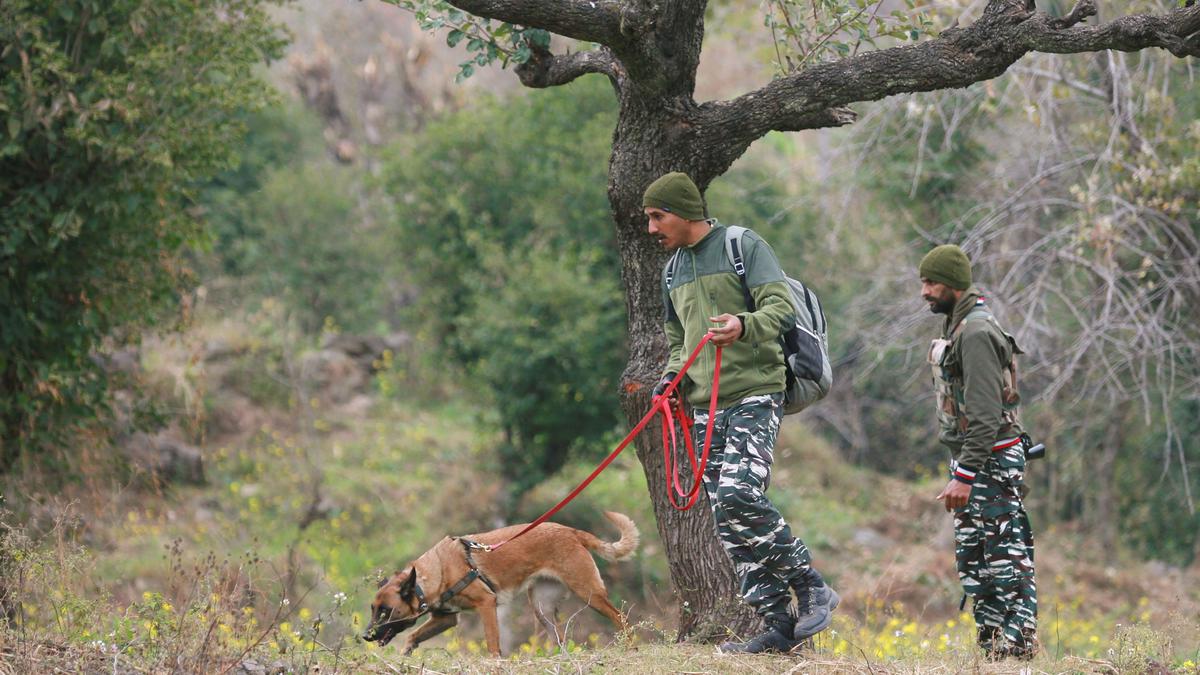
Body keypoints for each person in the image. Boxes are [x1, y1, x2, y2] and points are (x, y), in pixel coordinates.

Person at [644, 171, 838, 654]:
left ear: (685, 211)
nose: (651, 228)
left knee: (736, 495)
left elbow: (780, 309)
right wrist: (671, 379)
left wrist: (743, 325)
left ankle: (810, 584)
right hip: (703, 408)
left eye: (657, 216)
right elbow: (677, 341)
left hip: (756, 392)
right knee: (725, 519)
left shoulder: (742, 246)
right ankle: (779, 624)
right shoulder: (671, 271)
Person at [919, 244, 1038, 659]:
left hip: (991, 462)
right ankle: (993, 651)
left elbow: (987, 417)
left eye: (931, 282)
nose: (924, 291)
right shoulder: (960, 325)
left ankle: (1019, 648)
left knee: (1006, 557)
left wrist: (964, 475)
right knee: (977, 561)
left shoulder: (976, 333)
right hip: (976, 460)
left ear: (952, 284)